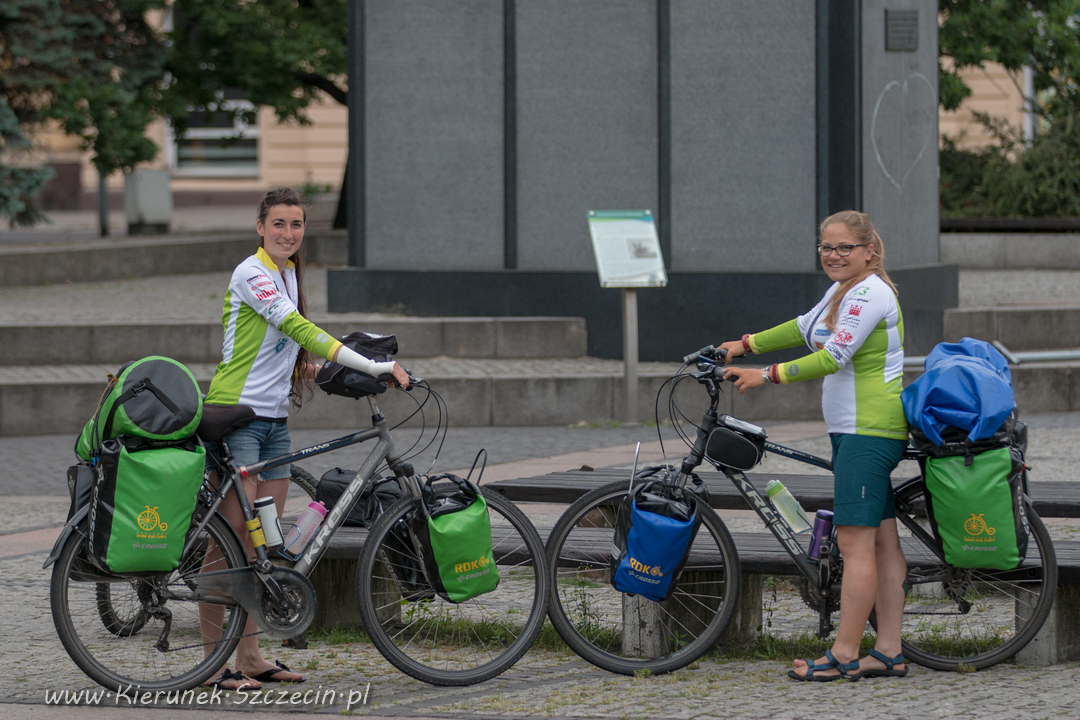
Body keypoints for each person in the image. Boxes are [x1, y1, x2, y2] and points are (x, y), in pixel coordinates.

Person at [199, 187, 409, 690]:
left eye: (296, 225)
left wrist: (342, 378)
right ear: (260, 227)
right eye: (278, 224)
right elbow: (298, 328)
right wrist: (373, 363)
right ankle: (211, 664)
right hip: (237, 419)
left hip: (273, 425)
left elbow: (287, 355)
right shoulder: (252, 274)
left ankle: (249, 657)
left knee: (263, 549)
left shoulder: (290, 273)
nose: (288, 233)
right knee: (227, 547)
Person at [718, 210, 909, 682]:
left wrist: (765, 375)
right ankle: (888, 652)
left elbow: (833, 355)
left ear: (869, 251)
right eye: (826, 246)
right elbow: (804, 327)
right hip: (854, 431)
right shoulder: (842, 289)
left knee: (855, 543)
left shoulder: (870, 292)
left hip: (870, 432)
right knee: (882, 543)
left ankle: (844, 654)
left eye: (845, 247)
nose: (834, 255)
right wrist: (745, 345)